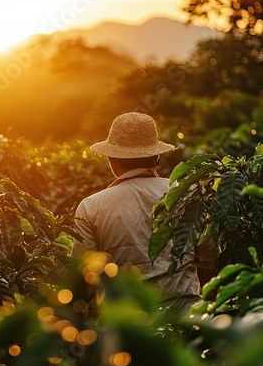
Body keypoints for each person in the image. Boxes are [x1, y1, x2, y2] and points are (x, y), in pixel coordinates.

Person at [72, 112, 219, 318]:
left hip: (126, 324)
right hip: (185, 318)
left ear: (112, 159)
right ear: (156, 157)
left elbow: (82, 275)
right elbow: (209, 254)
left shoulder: (90, 207)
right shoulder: (185, 192)